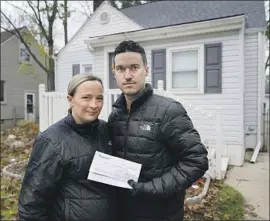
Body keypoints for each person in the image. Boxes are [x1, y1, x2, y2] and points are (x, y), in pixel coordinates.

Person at [108, 40, 209, 221]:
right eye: (121, 69)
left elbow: (196, 161)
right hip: (123, 212)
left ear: (146, 70)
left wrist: (151, 189)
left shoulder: (169, 111)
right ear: (114, 72)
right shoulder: (115, 115)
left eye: (134, 67)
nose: (128, 75)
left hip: (161, 213)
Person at [18, 74, 115, 221]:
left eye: (99, 98)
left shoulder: (105, 131)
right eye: (86, 98)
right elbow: (32, 203)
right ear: (70, 100)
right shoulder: (51, 141)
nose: (94, 105)